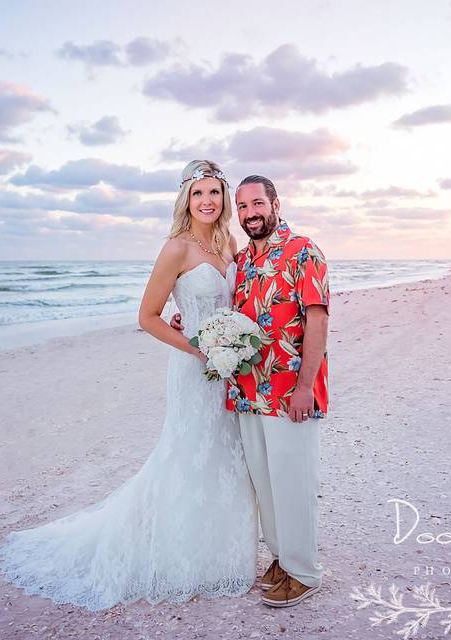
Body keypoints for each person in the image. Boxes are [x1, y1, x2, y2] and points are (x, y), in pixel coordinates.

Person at [0, 160, 258, 611]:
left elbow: (232, 302)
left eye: (214, 193)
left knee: (227, 457)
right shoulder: (175, 248)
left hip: (229, 367)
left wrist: (231, 345)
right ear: (186, 200)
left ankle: (223, 555)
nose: (208, 202)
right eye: (198, 194)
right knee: (188, 455)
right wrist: (196, 345)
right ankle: (178, 557)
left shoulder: (227, 243)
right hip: (195, 368)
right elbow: (147, 317)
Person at [171, 174, 330, 608]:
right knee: (265, 482)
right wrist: (189, 322)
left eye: (257, 204)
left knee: (293, 481)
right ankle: (281, 558)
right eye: (242, 207)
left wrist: (304, 388)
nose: (249, 213)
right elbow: (225, 313)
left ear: (275, 203)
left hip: (288, 392)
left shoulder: (303, 252)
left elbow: (317, 323)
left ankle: (305, 571)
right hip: (245, 390)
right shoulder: (245, 261)